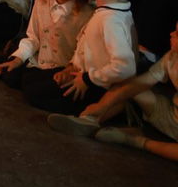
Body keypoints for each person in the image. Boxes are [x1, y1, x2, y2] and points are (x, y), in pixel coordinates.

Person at [21, 0, 137, 114]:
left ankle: (96, 110)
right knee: (28, 80)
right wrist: (69, 70)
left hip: (93, 84)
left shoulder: (111, 20)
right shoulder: (105, 11)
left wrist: (88, 79)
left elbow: (126, 66)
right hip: (80, 73)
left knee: (33, 93)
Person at [47, 19, 178, 162]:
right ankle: (91, 120)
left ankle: (137, 140)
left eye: (177, 33)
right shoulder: (172, 57)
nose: (171, 34)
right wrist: (100, 107)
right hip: (170, 114)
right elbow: (139, 84)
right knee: (127, 80)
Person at [0, 0, 91, 89]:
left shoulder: (86, 14)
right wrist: (17, 60)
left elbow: (83, 51)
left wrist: (68, 70)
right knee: (0, 69)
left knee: (32, 85)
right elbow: (33, 38)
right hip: (38, 62)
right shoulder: (40, 4)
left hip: (62, 68)